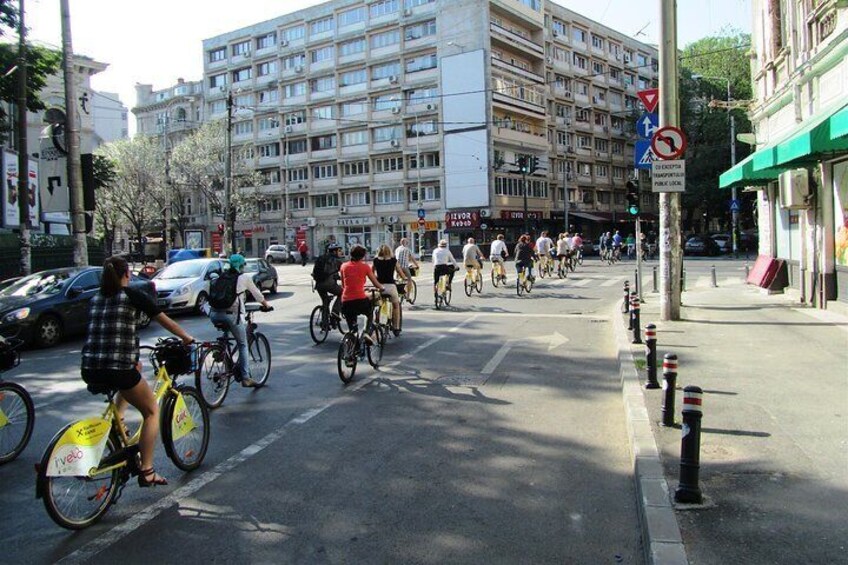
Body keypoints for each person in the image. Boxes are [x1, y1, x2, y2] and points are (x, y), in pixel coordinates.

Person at [81, 256, 194, 488]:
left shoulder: (95, 298)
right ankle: (148, 470)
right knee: (152, 411)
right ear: (127, 275)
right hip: (117, 370)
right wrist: (186, 338)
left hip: (90, 368)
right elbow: (165, 321)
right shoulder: (132, 295)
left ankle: (118, 420)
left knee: (136, 368)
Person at [208, 254, 272, 388]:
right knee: (243, 344)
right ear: (241, 266)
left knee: (227, 332)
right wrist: (266, 305)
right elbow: (257, 294)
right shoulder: (243, 278)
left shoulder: (221, 277)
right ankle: (246, 378)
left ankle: (222, 352)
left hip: (214, 314)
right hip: (230, 315)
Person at [340, 245, 384, 344]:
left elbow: (343, 285)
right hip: (360, 300)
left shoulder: (343, 266)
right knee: (369, 313)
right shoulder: (365, 267)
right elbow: (375, 282)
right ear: (363, 256)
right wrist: (382, 288)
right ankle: (366, 333)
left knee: (352, 328)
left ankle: (350, 352)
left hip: (346, 301)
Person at [372, 244, 406, 335]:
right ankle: (396, 327)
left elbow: (372, 274)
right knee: (396, 305)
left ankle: (376, 321)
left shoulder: (375, 261)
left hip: (379, 287)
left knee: (375, 304)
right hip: (390, 287)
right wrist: (404, 278)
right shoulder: (393, 261)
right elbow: (401, 273)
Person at [312, 243, 344, 328]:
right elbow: (344, 272)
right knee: (343, 293)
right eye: (339, 251)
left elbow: (314, 272)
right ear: (334, 251)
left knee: (325, 301)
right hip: (329, 285)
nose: (340, 252)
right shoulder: (336, 261)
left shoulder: (320, 258)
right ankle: (335, 311)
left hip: (318, 285)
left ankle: (325, 323)